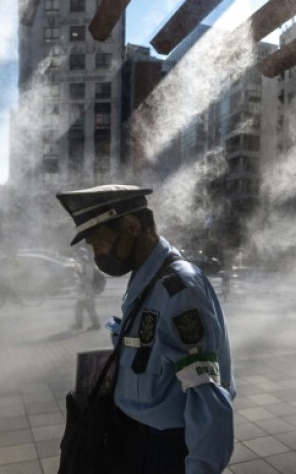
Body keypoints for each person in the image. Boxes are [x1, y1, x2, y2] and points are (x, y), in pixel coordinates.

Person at [57, 184, 235, 474]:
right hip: (132, 441)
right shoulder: (144, 278)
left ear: (130, 227)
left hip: (162, 452)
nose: (97, 255)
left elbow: (209, 396)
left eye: (98, 243)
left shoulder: (179, 289)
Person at [72, 246, 101, 330]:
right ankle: (79, 324)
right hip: (84, 291)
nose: (77, 258)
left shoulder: (87, 266)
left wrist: (80, 275)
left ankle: (96, 324)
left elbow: (89, 279)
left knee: (89, 308)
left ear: (82, 257)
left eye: (78, 257)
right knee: (79, 307)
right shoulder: (84, 265)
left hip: (88, 292)